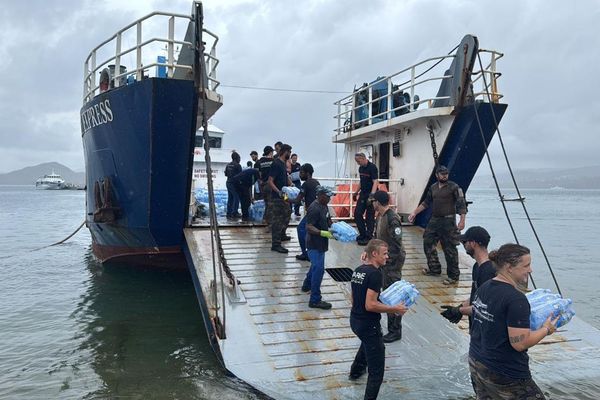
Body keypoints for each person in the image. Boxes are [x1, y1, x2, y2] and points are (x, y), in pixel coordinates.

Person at [469, 243, 557, 399]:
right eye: (526, 266)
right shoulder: (516, 299)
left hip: (478, 362)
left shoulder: (485, 287)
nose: (530, 270)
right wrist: (546, 329)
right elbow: (520, 343)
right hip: (505, 372)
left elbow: (483, 317)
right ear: (509, 267)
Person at [349, 239, 408, 400]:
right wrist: (394, 308)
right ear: (374, 254)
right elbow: (370, 305)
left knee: (366, 343)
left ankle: (355, 373)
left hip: (355, 320)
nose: (387, 257)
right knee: (376, 373)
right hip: (368, 325)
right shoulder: (375, 274)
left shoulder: (358, 270)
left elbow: (355, 299)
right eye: (384, 254)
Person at [408, 165, 467, 285]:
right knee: (428, 241)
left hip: (448, 221)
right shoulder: (433, 188)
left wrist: (462, 220)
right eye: (442, 174)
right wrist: (414, 212)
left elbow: (461, 203)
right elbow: (426, 203)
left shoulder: (454, 187)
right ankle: (434, 269)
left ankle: (453, 276)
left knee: (449, 248)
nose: (445, 176)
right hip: (435, 220)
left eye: (446, 174)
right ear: (437, 175)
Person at [440, 226, 496, 325]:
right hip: (476, 326)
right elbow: (477, 297)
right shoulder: (477, 266)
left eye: (464, 242)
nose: (463, 245)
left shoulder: (488, 271)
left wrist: (460, 311)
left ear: (473, 244)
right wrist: (459, 307)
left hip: (485, 328)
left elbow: (486, 306)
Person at [371, 190, 406, 343]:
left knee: (393, 296)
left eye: (373, 201)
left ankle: (395, 331)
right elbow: (377, 239)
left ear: (377, 202)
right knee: (385, 294)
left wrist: (386, 260)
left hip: (392, 263)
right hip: (384, 262)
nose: (372, 203)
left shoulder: (392, 219)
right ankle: (391, 327)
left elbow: (396, 245)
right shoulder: (381, 216)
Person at [302, 186, 335, 309]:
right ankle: (315, 299)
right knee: (319, 269)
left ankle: (306, 285)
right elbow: (309, 227)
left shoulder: (324, 206)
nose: (329, 199)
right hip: (314, 244)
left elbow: (327, 219)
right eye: (327, 196)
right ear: (320, 195)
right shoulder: (314, 208)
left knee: (315, 266)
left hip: (321, 243)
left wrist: (335, 227)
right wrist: (323, 233)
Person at [268, 143, 293, 253]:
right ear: (285, 151)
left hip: (285, 195)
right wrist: (278, 192)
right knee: (277, 220)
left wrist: (291, 185)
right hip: (277, 196)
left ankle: (282, 234)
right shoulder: (276, 164)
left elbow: (285, 177)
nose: (290, 154)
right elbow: (270, 181)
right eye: (289, 152)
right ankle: (276, 244)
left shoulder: (283, 164)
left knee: (288, 212)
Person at [294, 163, 320, 261]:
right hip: (318, 212)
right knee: (311, 233)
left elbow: (297, 200)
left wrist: (286, 198)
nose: (300, 175)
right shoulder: (316, 182)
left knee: (301, 229)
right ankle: (311, 252)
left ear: (307, 173)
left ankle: (306, 254)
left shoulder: (306, 184)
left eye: (301, 173)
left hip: (312, 213)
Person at [352, 153, 379, 246]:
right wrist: (356, 192)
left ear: (363, 158)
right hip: (363, 194)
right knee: (357, 214)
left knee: (369, 216)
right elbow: (361, 181)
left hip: (371, 194)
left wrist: (372, 196)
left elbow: (375, 182)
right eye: (356, 162)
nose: (357, 163)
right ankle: (362, 234)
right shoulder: (361, 168)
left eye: (358, 161)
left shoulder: (372, 167)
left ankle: (369, 236)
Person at [257, 146, 274, 224]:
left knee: (266, 203)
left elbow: (259, 174)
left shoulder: (260, 161)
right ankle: (267, 220)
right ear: (270, 152)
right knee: (270, 203)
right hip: (270, 184)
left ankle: (265, 219)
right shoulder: (273, 161)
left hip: (263, 184)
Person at [224, 151, 242, 219]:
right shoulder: (238, 165)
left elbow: (226, 174)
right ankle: (235, 212)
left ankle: (229, 213)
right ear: (237, 158)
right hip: (234, 184)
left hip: (228, 182)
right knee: (236, 197)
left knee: (230, 198)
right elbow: (241, 176)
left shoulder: (228, 165)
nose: (239, 159)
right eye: (239, 158)